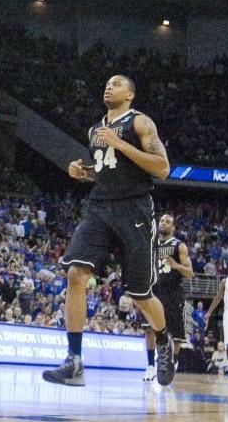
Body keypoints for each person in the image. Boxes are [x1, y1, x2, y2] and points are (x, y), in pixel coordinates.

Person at [42, 75, 176, 387]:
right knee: (75, 273)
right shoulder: (94, 129)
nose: (108, 86)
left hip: (135, 211)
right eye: (106, 83)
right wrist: (84, 173)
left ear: (129, 94)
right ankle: (74, 361)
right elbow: (109, 172)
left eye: (116, 84)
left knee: (140, 294)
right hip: (99, 208)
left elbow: (162, 168)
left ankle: (164, 339)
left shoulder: (140, 123)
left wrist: (121, 144)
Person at [142, 213, 193, 382]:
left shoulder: (180, 246)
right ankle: (150, 366)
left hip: (172, 292)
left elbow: (190, 273)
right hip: (154, 290)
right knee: (149, 329)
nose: (163, 223)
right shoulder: (151, 243)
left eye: (168, 222)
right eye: (162, 221)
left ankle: (173, 363)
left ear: (173, 227)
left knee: (177, 334)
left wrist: (176, 265)